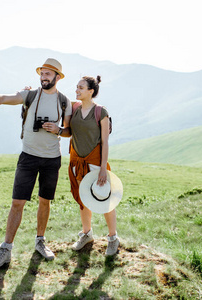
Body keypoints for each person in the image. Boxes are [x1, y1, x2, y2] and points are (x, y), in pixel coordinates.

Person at [0, 58, 72, 267]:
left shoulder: (64, 101)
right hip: (28, 157)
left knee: (45, 201)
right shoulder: (30, 95)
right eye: (42, 73)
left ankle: (40, 242)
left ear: (57, 77)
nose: (43, 77)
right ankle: (5, 250)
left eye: (48, 74)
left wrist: (57, 129)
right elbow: (6, 97)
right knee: (17, 203)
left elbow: (68, 130)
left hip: (52, 158)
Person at [68, 75, 119, 256]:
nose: (77, 90)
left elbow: (105, 141)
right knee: (83, 200)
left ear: (91, 91)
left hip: (96, 161)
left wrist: (103, 168)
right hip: (76, 161)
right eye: (77, 87)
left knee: (104, 199)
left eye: (81, 87)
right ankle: (87, 234)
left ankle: (113, 238)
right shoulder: (74, 108)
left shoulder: (101, 112)